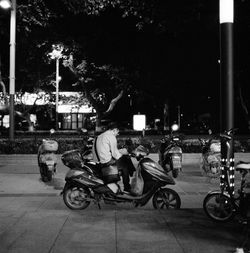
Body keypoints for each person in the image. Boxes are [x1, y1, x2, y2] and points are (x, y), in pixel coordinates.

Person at [92, 122, 135, 193]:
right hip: (106, 161)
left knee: (125, 160)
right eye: (117, 132)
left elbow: (108, 150)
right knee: (125, 165)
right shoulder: (111, 136)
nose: (117, 134)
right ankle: (127, 187)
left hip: (98, 161)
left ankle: (130, 173)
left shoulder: (100, 136)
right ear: (114, 130)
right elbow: (115, 154)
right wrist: (124, 152)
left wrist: (120, 152)